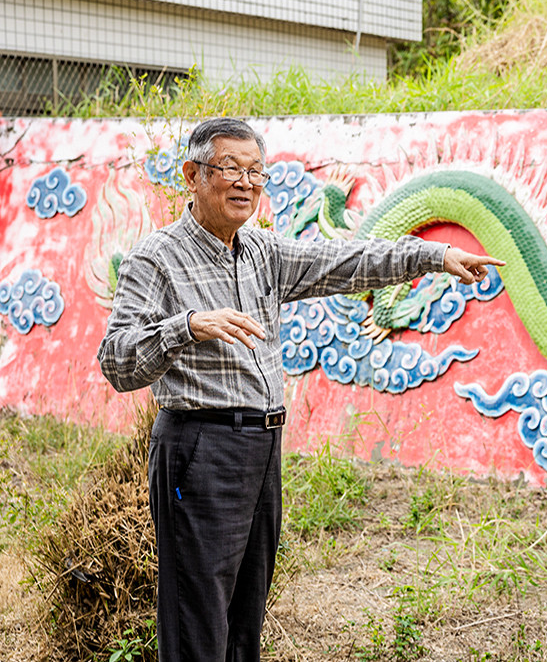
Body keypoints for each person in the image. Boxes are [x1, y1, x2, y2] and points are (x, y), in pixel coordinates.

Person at [97, 117, 503, 662]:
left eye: (255, 172)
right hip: (199, 449)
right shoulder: (157, 257)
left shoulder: (263, 253)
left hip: (261, 447)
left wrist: (432, 258)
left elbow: (344, 262)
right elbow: (117, 362)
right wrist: (187, 326)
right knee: (198, 618)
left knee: (245, 617)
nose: (245, 182)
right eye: (229, 169)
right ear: (193, 175)